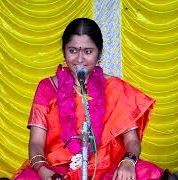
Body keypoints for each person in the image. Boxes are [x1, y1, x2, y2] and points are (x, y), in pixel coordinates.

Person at [13, 18, 163, 180]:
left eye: (88, 51)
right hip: (58, 169)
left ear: (99, 53)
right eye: (72, 51)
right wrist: (42, 169)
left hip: (107, 166)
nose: (79, 59)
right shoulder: (47, 87)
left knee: (148, 173)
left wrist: (128, 161)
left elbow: (132, 140)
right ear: (64, 52)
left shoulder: (115, 88)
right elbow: (36, 143)